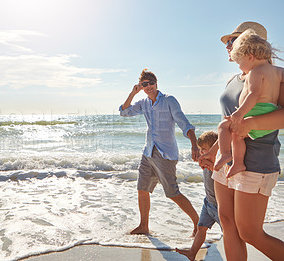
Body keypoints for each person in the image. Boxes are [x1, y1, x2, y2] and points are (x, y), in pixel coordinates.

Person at [198, 21, 284, 261]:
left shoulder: (274, 76)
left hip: (256, 162)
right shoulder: (233, 80)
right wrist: (214, 151)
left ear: (250, 45)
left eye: (232, 40)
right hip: (228, 161)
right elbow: (228, 121)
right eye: (227, 42)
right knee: (227, 223)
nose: (227, 45)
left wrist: (251, 124)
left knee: (250, 233)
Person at [119, 69, 200, 236]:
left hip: (166, 154)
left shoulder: (169, 100)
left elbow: (184, 123)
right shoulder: (143, 102)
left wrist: (194, 145)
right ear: (141, 87)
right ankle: (144, 226)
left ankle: (199, 224)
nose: (148, 86)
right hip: (148, 152)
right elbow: (124, 112)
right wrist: (132, 93)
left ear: (156, 83)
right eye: (144, 84)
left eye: (150, 83)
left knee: (172, 193)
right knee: (142, 189)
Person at [214, 29, 283, 178]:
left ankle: (231, 158)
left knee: (229, 131)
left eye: (240, 62)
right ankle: (234, 161)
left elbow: (253, 94)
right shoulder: (279, 71)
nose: (239, 67)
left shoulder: (255, 72)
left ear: (250, 57)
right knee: (236, 134)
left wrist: (239, 113)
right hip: (268, 112)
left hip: (256, 111)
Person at [176, 131, 221, 261]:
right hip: (208, 203)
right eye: (200, 149)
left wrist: (212, 166)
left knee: (229, 233)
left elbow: (224, 177)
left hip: (220, 206)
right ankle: (192, 252)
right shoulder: (205, 161)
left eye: (204, 149)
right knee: (201, 228)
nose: (201, 152)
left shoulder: (218, 163)